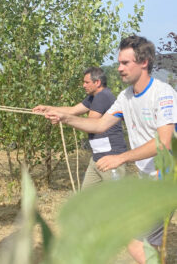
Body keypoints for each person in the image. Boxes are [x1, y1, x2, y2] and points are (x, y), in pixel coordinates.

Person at [44, 35, 177, 264]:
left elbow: (164, 142)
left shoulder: (162, 94)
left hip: (166, 182)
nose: (119, 69)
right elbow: (99, 124)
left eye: (125, 63)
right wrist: (65, 117)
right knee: (150, 248)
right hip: (148, 182)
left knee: (134, 241)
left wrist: (120, 158)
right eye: (118, 63)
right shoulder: (125, 97)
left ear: (144, 62)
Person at [33, 67, 127, 189]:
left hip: (112, 158)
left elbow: (91, 124)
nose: (83, 85)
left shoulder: (102, 96)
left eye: (86, 82)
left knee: (117, 201)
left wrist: (63, 118)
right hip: (97, 158)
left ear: (97, 82)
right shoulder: (93, 97)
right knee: (85, 199)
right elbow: (72, 110)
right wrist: (48, 108)